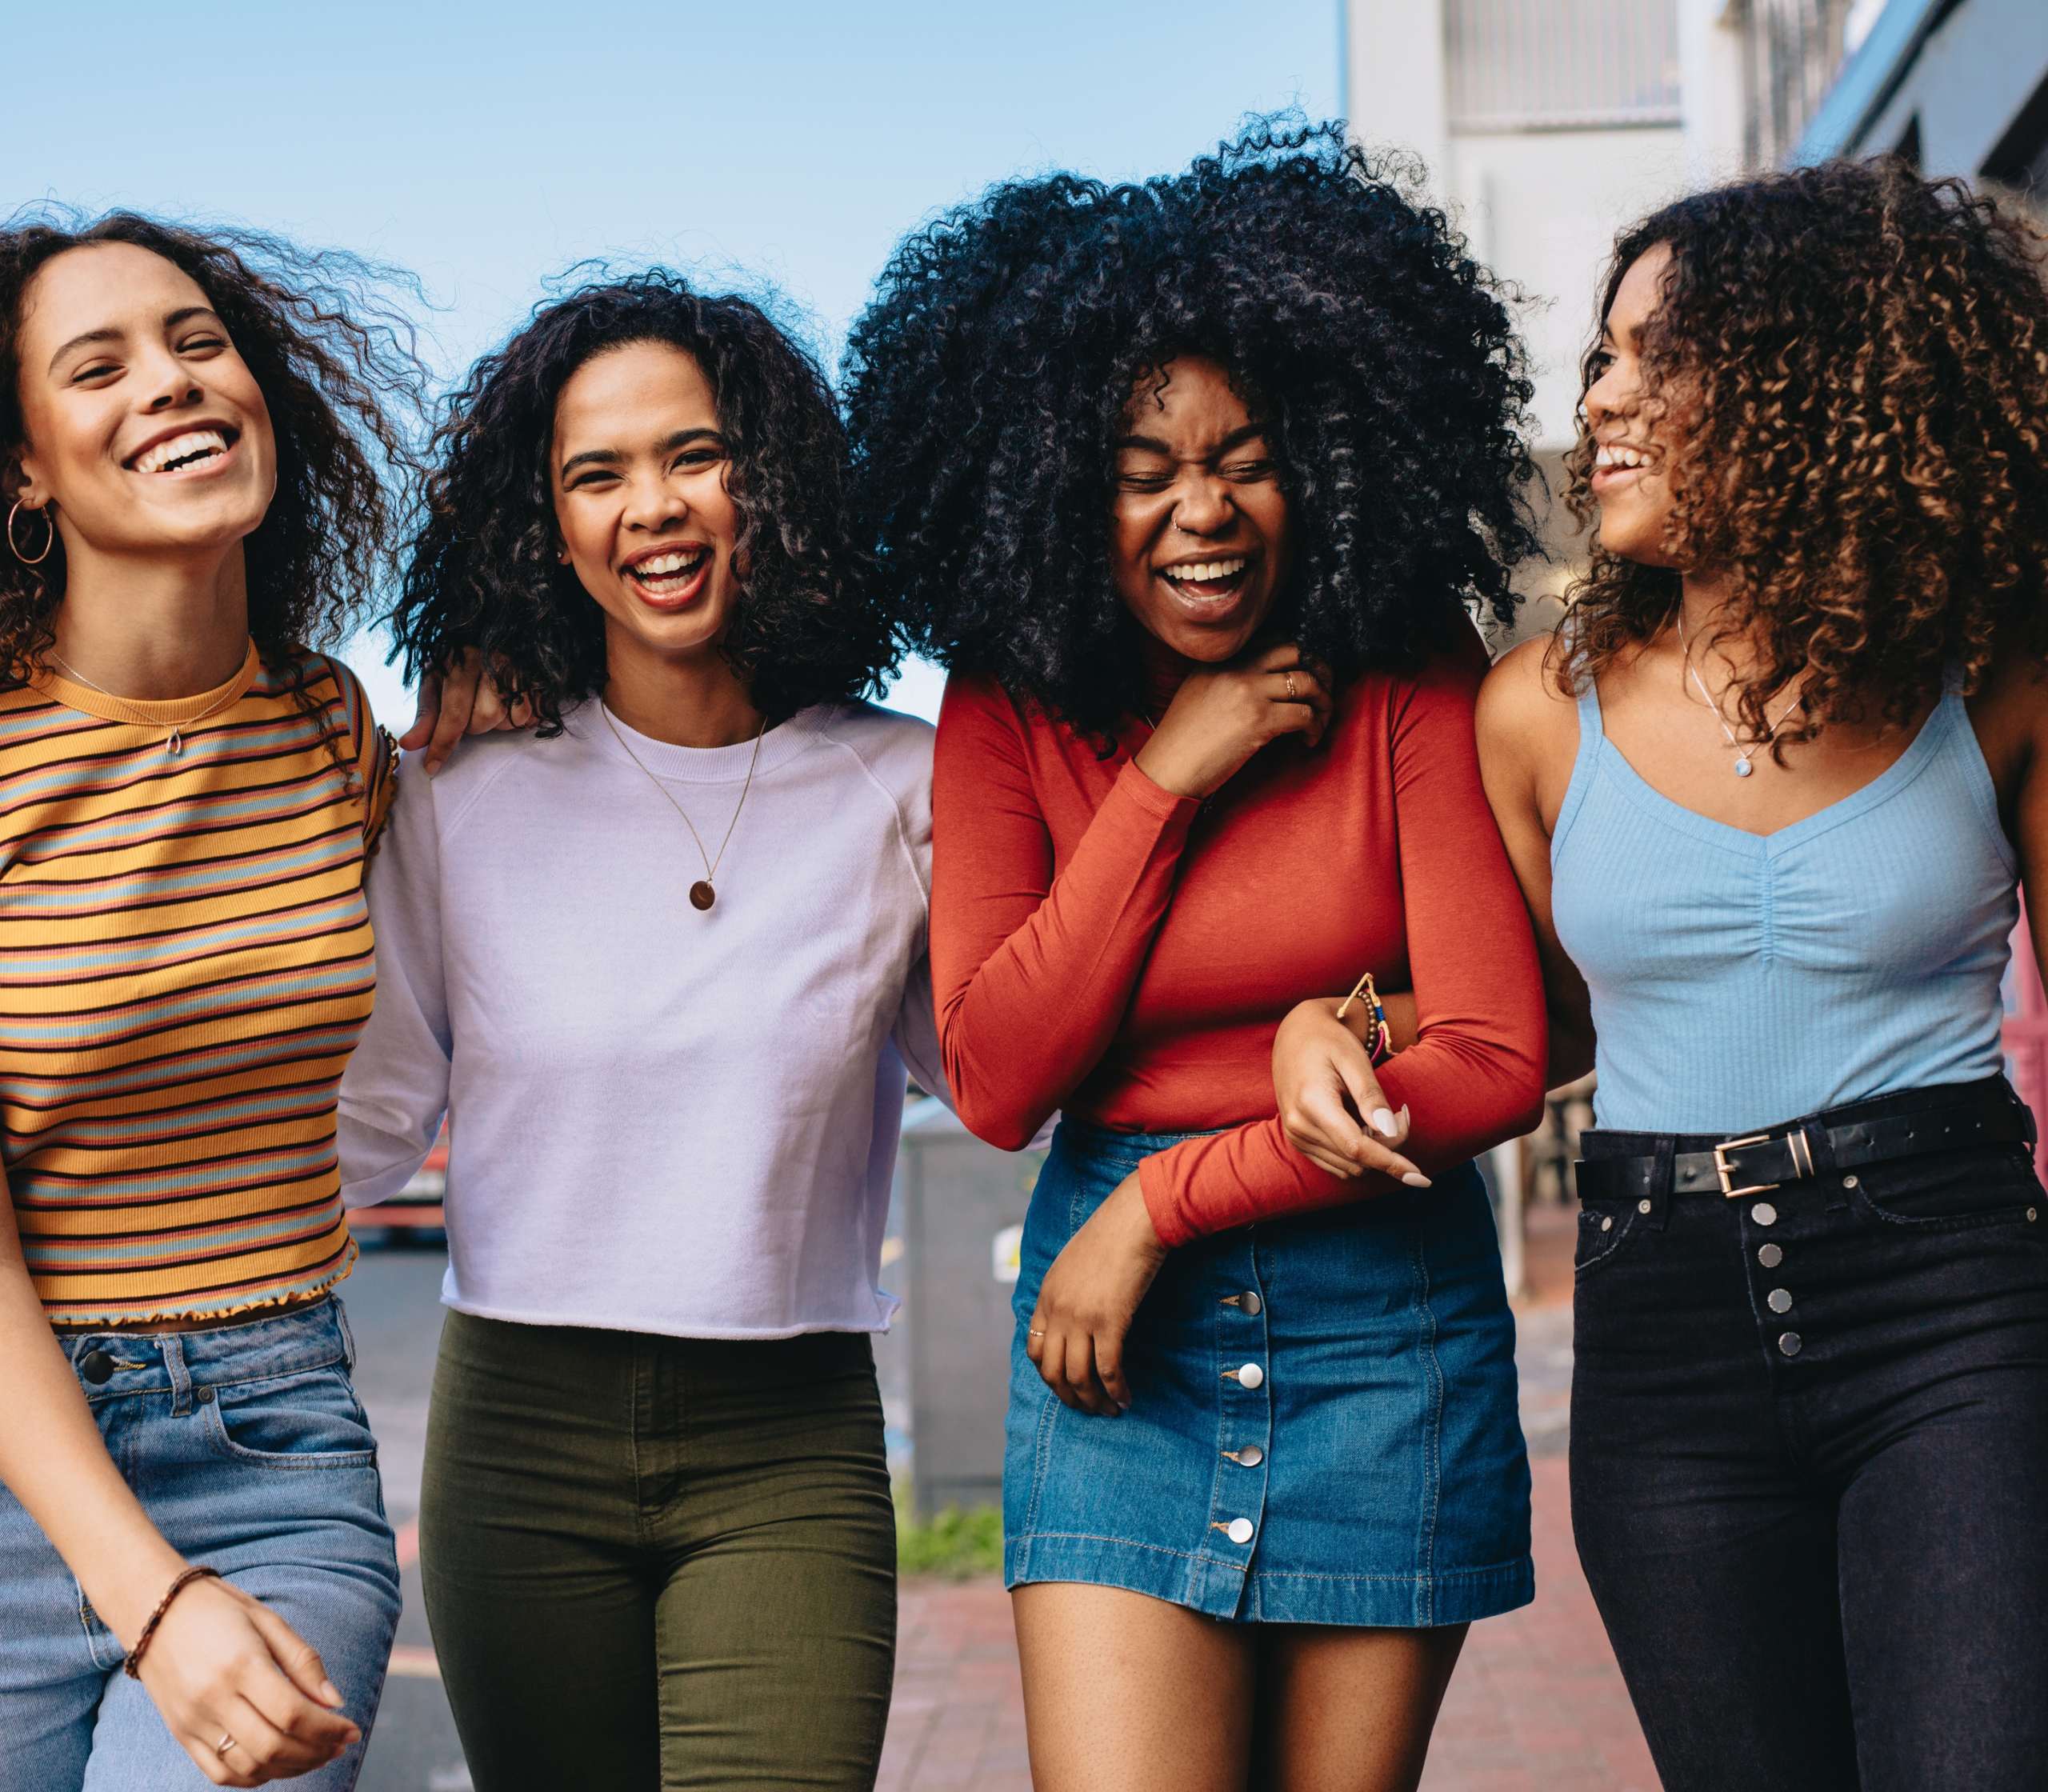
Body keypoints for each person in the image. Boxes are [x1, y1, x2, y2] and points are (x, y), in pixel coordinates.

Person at [1276, 158, 2048, 1791]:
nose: (1602, 402)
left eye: (1654, 357)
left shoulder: (1991, 673)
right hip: (1661, 1332)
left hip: (1952, 1306)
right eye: (1599, 364)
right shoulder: (1533, 711)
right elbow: (1525, 1028)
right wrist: (1326, 1026)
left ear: (1809, 376)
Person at [840, 122, 1550, 1792]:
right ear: (1052, 493)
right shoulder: (1008, 708)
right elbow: (1001, 1078)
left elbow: (1492, 1056)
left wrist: (1159, 1204)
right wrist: (1166, 775)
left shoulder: (1398, 668)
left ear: (1320, 451)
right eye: (1140, 473)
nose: (1199, 511)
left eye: (1241, 457)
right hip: (1116, 1381)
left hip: (1386, 1332)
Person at [339, 270, 934, 1791]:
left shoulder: (903, 787)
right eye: (594, 475)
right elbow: (361, 1129)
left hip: (786, 1438)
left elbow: (1015, 1079)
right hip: (518, 1437)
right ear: (545, 529)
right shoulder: (459, 791)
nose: (651, 509)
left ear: (770, 479)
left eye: (694, 454)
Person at [0, 211, 414, 1790]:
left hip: (273, 1442)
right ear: (23, 465)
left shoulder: (331, 728)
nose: (168, 385)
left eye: (193, 343)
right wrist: (153, 1600)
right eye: (95, 367)